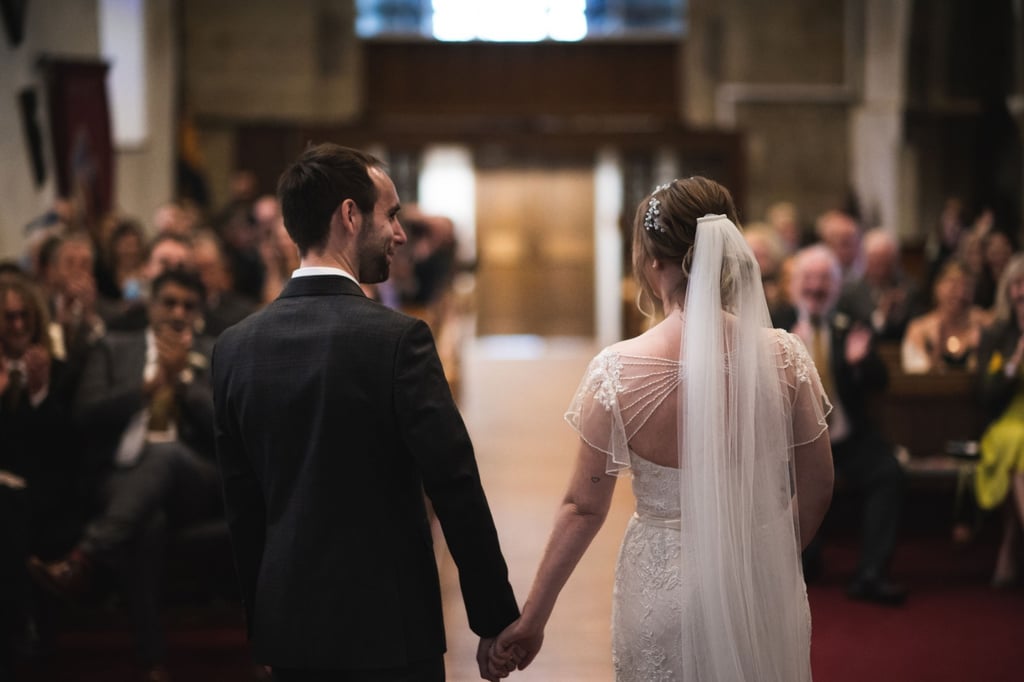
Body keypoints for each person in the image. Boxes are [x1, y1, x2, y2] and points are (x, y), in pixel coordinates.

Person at [490, 177, 834, 681]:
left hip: (663, 587)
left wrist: (531, 620)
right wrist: (768, 556)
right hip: (758, 584)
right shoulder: (783, 357)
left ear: (653, 262)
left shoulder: (617, 370)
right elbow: (819, 482)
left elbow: (582, 508)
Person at [211, 143, 519, 682]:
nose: (400, 233)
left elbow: (243, 504)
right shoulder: (398, 340)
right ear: (350, 216)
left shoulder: (235, 347)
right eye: (392, 214)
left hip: (290, 628)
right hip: (390, 627)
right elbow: (454, 484)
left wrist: (263, 623)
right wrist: (494, 619)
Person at [28, 268, 220, 682]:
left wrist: (182, 380)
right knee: (147, 523)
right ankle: (152, 661)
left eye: (188, 305)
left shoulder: (214, 351)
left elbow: (228, 425)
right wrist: (148, 388)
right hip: (121, 478)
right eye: (168, 302)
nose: (177, 313)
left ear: (199, 313)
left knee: (165, 455)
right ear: (150, 306)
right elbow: (85, 413)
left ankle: (85, 556)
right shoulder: (114, 349)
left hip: (193, 479)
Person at [775, 245, 908, 605]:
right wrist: (788, 360)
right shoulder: (775, 325)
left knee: (887, 471)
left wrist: (859, 362)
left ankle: (871, 572)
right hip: (793, 444)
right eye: (809, 278)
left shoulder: (852, 324)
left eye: (825, 279)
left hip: (846, 438)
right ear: (794, 284)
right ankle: (800, 562)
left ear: (836, 286)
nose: (816, 287)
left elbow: (881, 380)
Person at [975, 254, 1024, 588]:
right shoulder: (996, 333)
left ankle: (1011, 545)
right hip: (1007, 420)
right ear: (1008, 290)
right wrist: (1015, 362)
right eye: (1018, 284)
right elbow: (986, 395)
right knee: (1019, 441)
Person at [902, 260, 991, 374]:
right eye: (953, 286)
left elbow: (1001, 371)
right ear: (937, 287)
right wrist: (935, 356)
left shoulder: (985, 324)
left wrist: (980, 352)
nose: (960, 294)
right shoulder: (919, 329)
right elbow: (916, 377)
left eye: (967, 286)